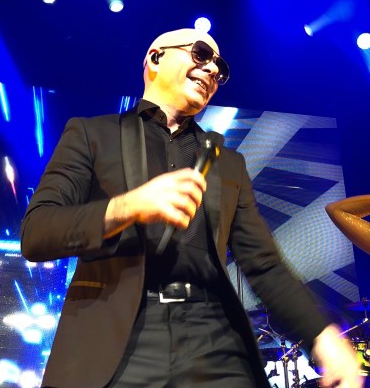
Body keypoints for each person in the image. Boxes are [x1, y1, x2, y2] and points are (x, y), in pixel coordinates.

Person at [21, 28, 362, 388]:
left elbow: (264, 264)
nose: (213, 70)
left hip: (213, 337)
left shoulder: (228, 164)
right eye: (201, 54)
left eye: (220, 68)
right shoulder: (92, 135)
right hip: (118, 336)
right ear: (155, 58)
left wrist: (321, 333)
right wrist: (128, 206)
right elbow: (37, 232)